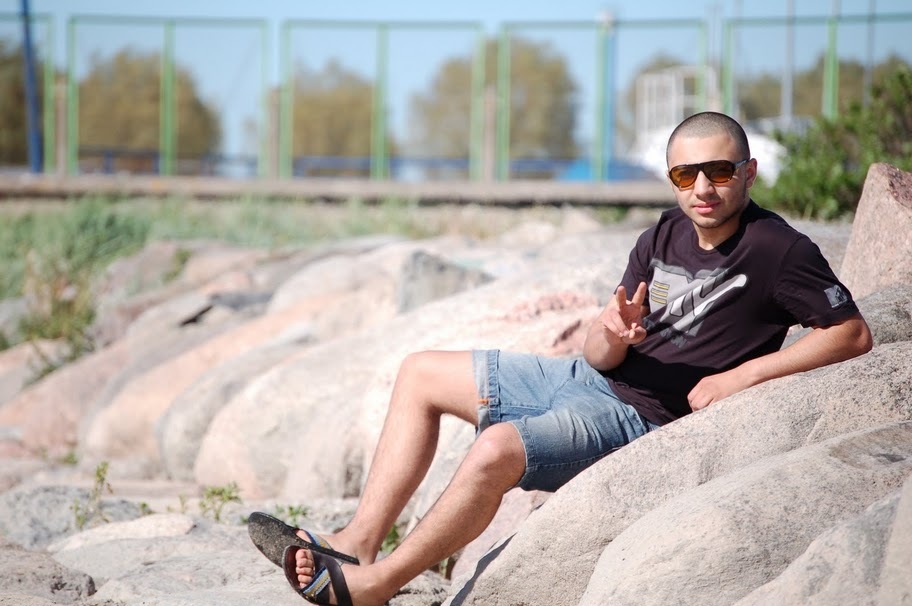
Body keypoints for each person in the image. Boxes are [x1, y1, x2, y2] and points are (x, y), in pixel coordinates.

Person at [249, 111, 873, 606]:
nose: (703, 189)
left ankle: (376, 586)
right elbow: (597, 353)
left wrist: (743, 375)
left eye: (719, 171)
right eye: (686, 175)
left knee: (495, 449)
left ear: (749, 171)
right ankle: (358, 542)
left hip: (641, 419)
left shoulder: (778, 249)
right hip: (586, 378)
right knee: (420, 372)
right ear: (671, 179)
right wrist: (614, 334)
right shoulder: (662, 233)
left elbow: (850, 334)